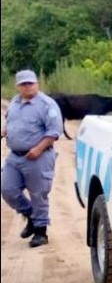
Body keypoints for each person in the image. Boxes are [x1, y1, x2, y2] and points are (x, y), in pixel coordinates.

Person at [1, 70, 63, 248]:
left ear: (37, 83)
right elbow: (11, 123)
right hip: (15, 156)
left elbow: (54, 131)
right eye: (24, 84)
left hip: (38, 156)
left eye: (31, 83)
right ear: (18, 86)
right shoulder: (14, 102)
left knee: (38, 194)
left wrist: (38, 149)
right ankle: (30, 216)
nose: (27, 86)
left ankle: (41, 232)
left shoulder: (46, 105)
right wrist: (4, 132)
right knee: (7, 189)